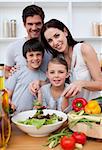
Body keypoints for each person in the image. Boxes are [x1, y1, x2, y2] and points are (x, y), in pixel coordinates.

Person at [30, 19, 102, 101]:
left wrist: (81, 83)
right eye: (50, 40)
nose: (55, 42)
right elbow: (57, 84)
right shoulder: (58, 59)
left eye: (57, 36)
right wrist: (39, 83)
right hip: (73, 110)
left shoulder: (84, 49)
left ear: (65, 32)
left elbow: (100, 84)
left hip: (93, 108)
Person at [5, 4, 52, 78]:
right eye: (30, 24)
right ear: (24, 24)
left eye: (38, 24)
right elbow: (6, 72)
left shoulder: (51, 45)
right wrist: (12, 73)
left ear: (43, 23)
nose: (34, 28)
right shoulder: (13, 47)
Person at [5, 38, 46, 114]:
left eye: (38, 54)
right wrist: (9, 103)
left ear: (42, 56)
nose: (35, 58)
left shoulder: (44, 77)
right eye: (31, 55)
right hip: (15, 114)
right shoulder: (17, 71)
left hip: (32, 117)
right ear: (25, 57)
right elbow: (7, 93)